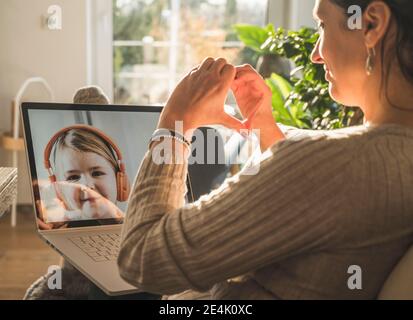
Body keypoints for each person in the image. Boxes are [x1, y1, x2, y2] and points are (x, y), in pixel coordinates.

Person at [117, 0, 413, 299]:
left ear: (372, 24)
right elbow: (314, 212)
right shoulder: (393, 160)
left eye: (322, 25)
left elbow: (143, 258)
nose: (315, 54)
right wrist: (265, 129)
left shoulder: (337, 165)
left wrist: (174, 125)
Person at [36, 125, 128, 229]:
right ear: (59, 189)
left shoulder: (135, 224)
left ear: (119, 181)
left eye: (97, 173)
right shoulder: (60, 229)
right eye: (73, 177)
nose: (87, 185)